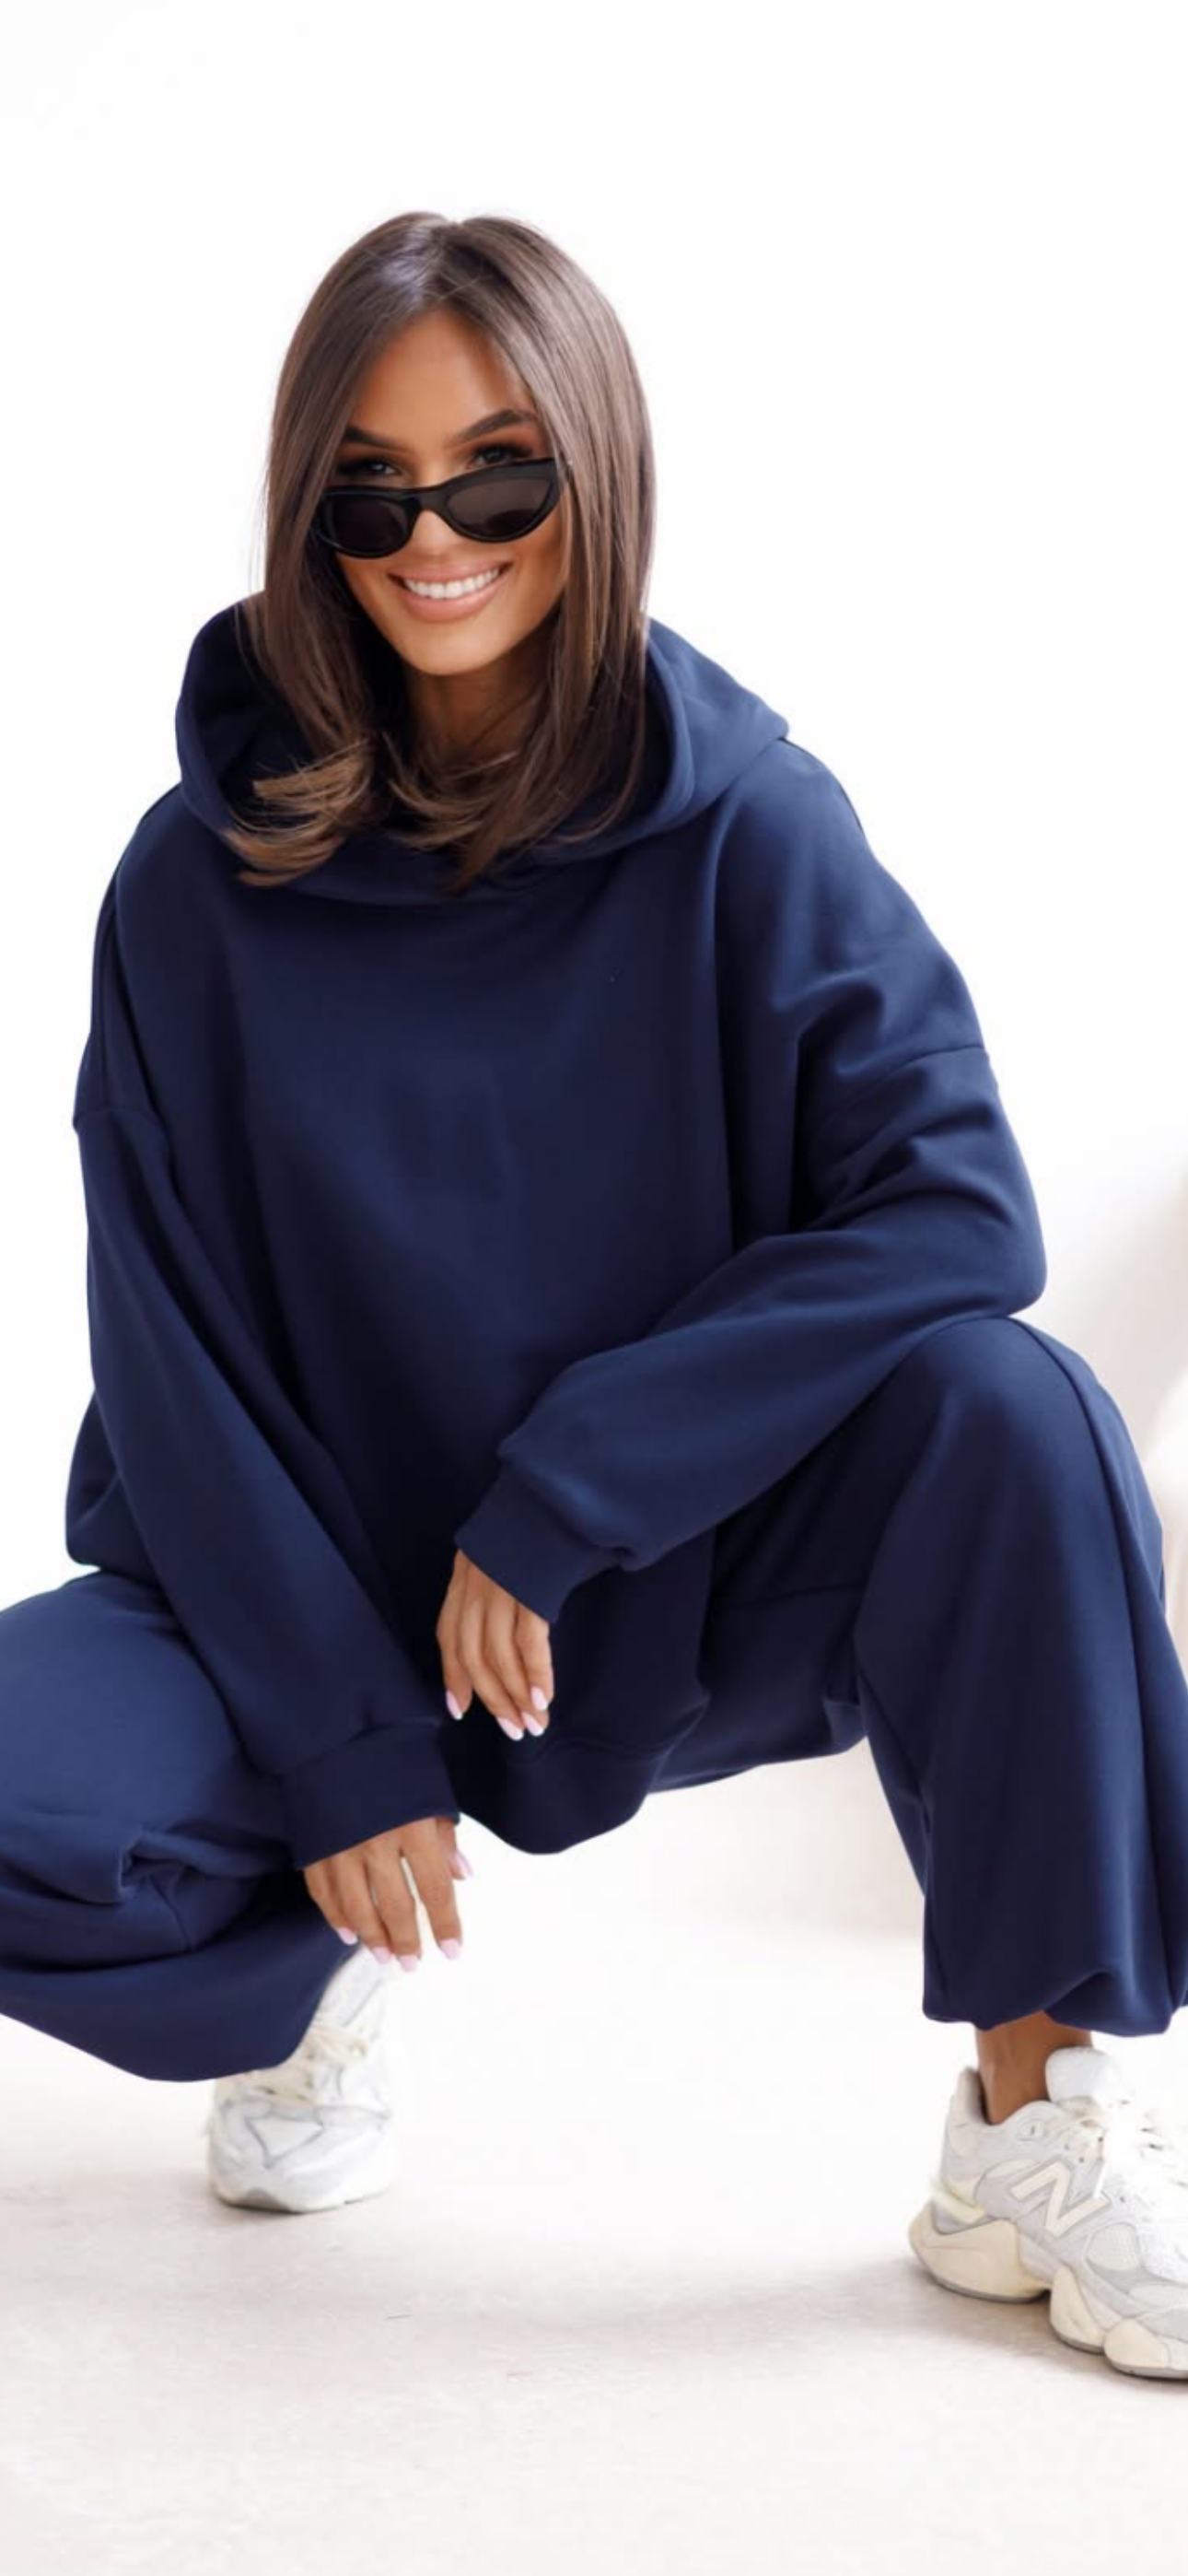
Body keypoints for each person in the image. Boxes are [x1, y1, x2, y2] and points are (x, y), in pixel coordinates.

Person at [4, 210, 1188, 2379]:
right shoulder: (197, 882)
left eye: (498, 476)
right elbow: (168, 1357)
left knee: (1014, 1415)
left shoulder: (749, 826)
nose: (432, 539)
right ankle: (309, 1969)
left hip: (644, 1580)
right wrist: (341, 1737)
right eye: (371, 490)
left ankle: (1036, 2122)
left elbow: (955, 1207)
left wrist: (571, 1492)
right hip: (300, 1594)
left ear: (595, 473)